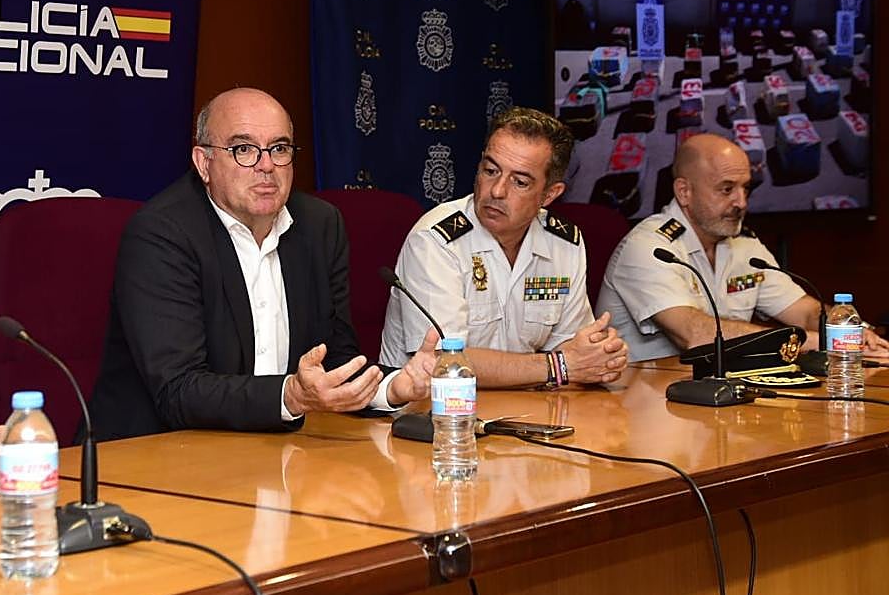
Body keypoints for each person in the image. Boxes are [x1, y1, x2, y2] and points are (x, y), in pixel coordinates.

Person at [90, 88, 438, 441]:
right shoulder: (162, 234)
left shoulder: (319, 226)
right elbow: (178, 390)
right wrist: (289, 397)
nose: (267, 165)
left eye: (279, 148)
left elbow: (333, 361)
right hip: (155, 451)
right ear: (204, 163)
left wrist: (394, 387)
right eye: (244, 149)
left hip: (275, 448)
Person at [380, 107, 627, 388]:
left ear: (549, 194)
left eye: (519, 182)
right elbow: (445, 363)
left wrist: (598, 356)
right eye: (490, 171)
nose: (497, 191)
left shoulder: (563, 243)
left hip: (528, 405)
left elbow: (573, 352)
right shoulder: (435, 240)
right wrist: (558, 367)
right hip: (434, 409)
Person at [596, 132, 889, 361]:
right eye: (727, 189)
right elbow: (695, 335)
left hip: (717, 397)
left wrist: (852, 331)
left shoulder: (744, 246)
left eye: (745, 188)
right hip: (641, 406)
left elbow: (804, 312)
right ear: (684, 192)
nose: (741, 202)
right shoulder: (649, 247)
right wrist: (814, 341)